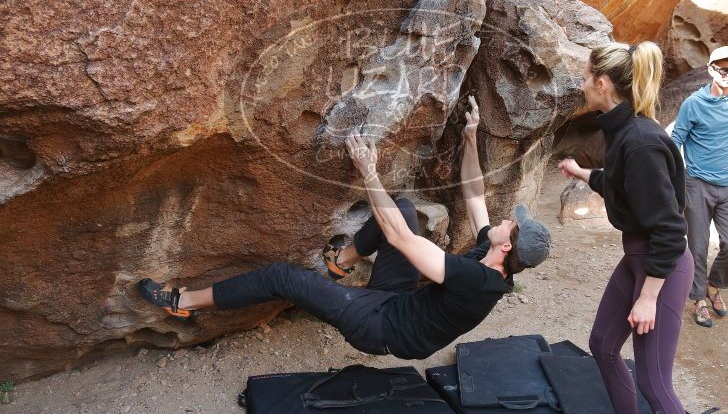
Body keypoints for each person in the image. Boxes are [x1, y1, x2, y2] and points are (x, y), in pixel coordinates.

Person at [138, 95, 550, 360]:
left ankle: (184, 300)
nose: (506, 219)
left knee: (282, 276)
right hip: (400, 303)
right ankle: (341, 261)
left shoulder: (475, 279)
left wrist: (368, 172)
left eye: (512, 225)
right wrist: (471, 137)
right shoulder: (493, 258)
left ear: (507, 246)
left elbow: (399, 238)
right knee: (404, 208)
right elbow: (474, 195)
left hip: (382, 329)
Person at [557, 42, 693, 414]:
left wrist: (649, 297)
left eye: (585, 77)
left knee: (655, 384)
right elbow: (621, 184)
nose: (581, 85)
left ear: (602, 84)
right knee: (602, 344)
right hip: (638, 257)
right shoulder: (623, 131)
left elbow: (670, 230)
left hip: (660, 266)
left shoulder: (641, 141)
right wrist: (582, 172)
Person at [670, 46, 728, 328]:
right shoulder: (693, 104)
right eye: (724, 69)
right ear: (711, 69)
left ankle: (714, 285)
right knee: (697, 247)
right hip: (697, 185)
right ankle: (699, 299)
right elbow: (676, 141)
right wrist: (672, 176)